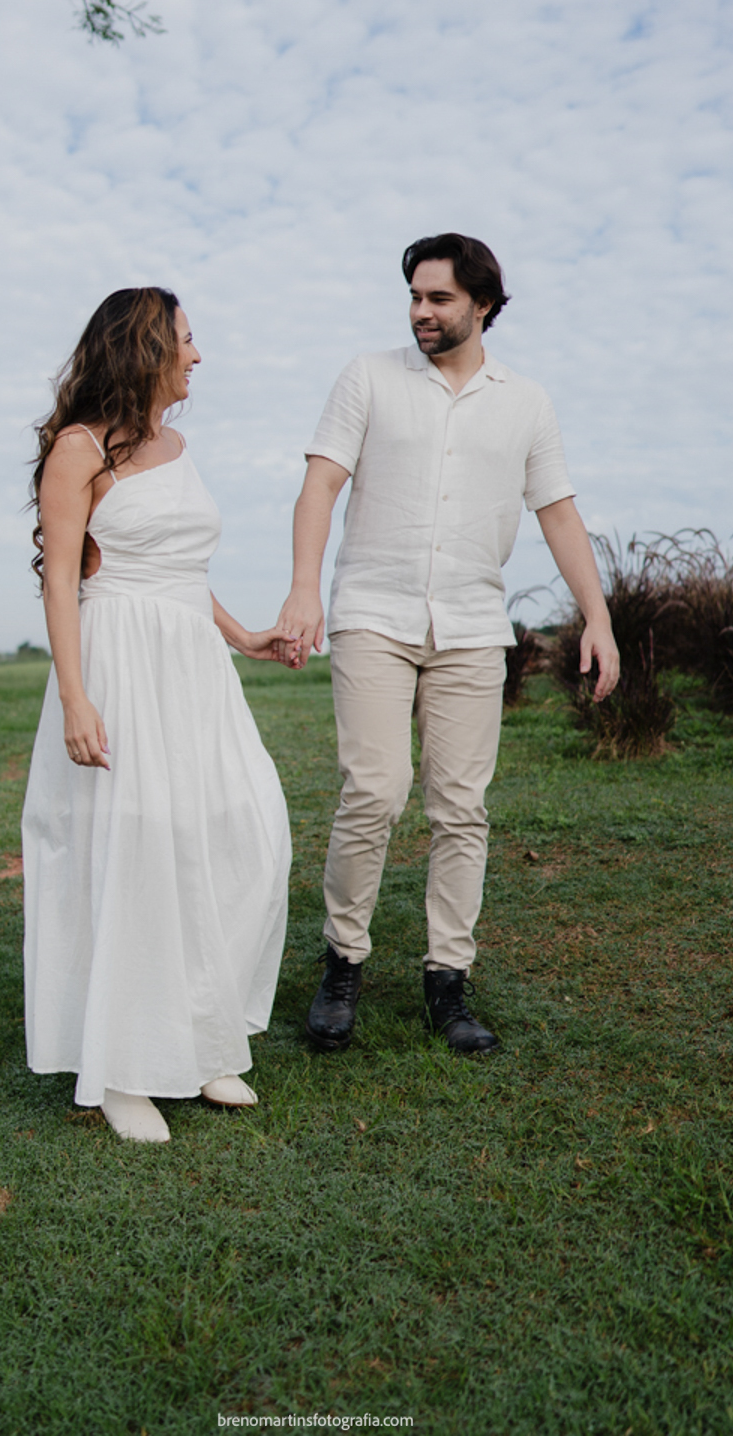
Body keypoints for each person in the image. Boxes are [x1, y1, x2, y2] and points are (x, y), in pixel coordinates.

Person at [278, 234, 619, 1055]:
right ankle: (342, 964)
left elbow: (559, 514)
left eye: (438, 299)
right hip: (373, 615)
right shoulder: (368, 377)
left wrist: (598, 618)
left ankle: (447, 981)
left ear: (483, 306)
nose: (420, 312)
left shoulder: (526, 402)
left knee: (461, 807)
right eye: (414, 297)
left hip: (472, 626)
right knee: (376, 789)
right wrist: (301, 587)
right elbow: (321, 482)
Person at [22, 287, 294, 1143]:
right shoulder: (78, 450)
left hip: (194, 669)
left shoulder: (178, 445)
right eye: (187, 338)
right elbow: (63, 579)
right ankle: (123, 1066)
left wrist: (244, 635)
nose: (198, 355)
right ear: (145, 349)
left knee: (245, 832)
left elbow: (179, 570)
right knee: (134, 848)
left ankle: (204, 1032)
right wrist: (75, 695)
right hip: (118, 662)